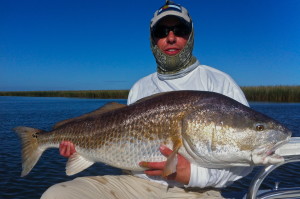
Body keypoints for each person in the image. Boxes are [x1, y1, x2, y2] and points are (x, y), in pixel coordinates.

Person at [42, 1, 252, 198]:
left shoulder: (219, 82)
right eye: (161, 32)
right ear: (153, 40)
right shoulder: (139, 87)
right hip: (138, 185)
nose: (171, 38)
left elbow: (245, 161)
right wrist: (81, 147)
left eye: (180, 30)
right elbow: (123, 146)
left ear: (191, 35)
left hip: (198, 190)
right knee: (56, 194)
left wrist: (194, 175)